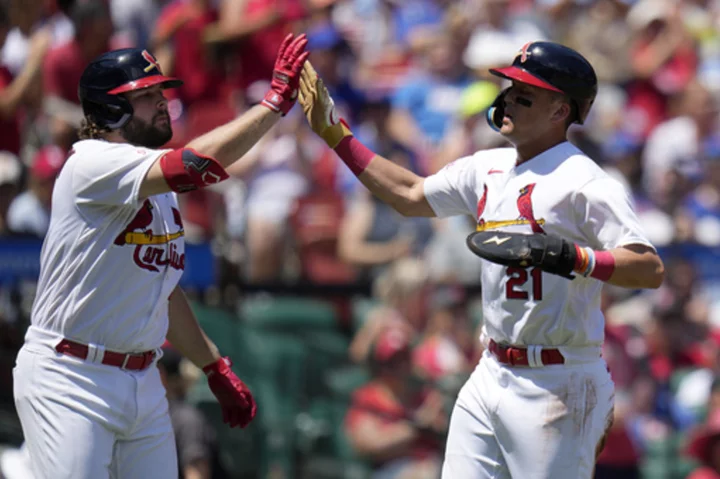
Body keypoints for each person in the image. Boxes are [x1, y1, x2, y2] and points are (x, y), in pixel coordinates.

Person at [298, 40, 666, 479]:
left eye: (524, 94)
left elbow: (649, 267)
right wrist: (336, 134)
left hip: (558, 380)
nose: (508, 99)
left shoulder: (582, 181)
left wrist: (576, 257)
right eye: (509, 88)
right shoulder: (486, 167)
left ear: (560, 111)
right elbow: (411, 195)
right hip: (490, 369)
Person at [12, 34, 309, 479]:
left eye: (160, 92)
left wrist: (214, 366)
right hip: (70, 375)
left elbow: (163, 293)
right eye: (146, 95)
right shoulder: (91, 164)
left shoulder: (159, 192)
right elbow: (196, 164)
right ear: (111, 109)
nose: (162, 102)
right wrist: (270, 106)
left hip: (143, 379)